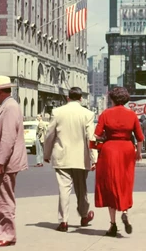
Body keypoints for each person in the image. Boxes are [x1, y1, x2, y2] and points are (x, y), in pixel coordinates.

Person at [43, 87, 98, 232]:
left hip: (61, 156)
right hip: (81, 157)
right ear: (81, 98)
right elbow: (90, 138)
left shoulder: (57, 112)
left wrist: (46, 154)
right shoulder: (88, 114)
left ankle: (64, 221)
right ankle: (84, 215)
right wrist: (94, 158)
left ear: (68, 98)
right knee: (82, 189)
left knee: (64, 190)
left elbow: (49, 135)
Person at [0, 75, 28, 247]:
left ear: (1, 92)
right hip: (3, 162)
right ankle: (4, 233)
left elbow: (8, 137)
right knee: (2, 198)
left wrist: (0, 161)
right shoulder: (7, 106)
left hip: (5, 163)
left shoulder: (9, 107)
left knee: (4, 199)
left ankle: (7, 235)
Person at [94, 87, 144, 237]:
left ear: (112, 99)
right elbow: (140, 137)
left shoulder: (106, 114)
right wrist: (138, 153)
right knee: (125, 182)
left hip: (110, 150)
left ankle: (113, 224)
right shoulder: (132, 115)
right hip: (127, 149)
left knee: (110, 184)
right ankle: (125, 211)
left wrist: (104, 138)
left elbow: (96, 135)